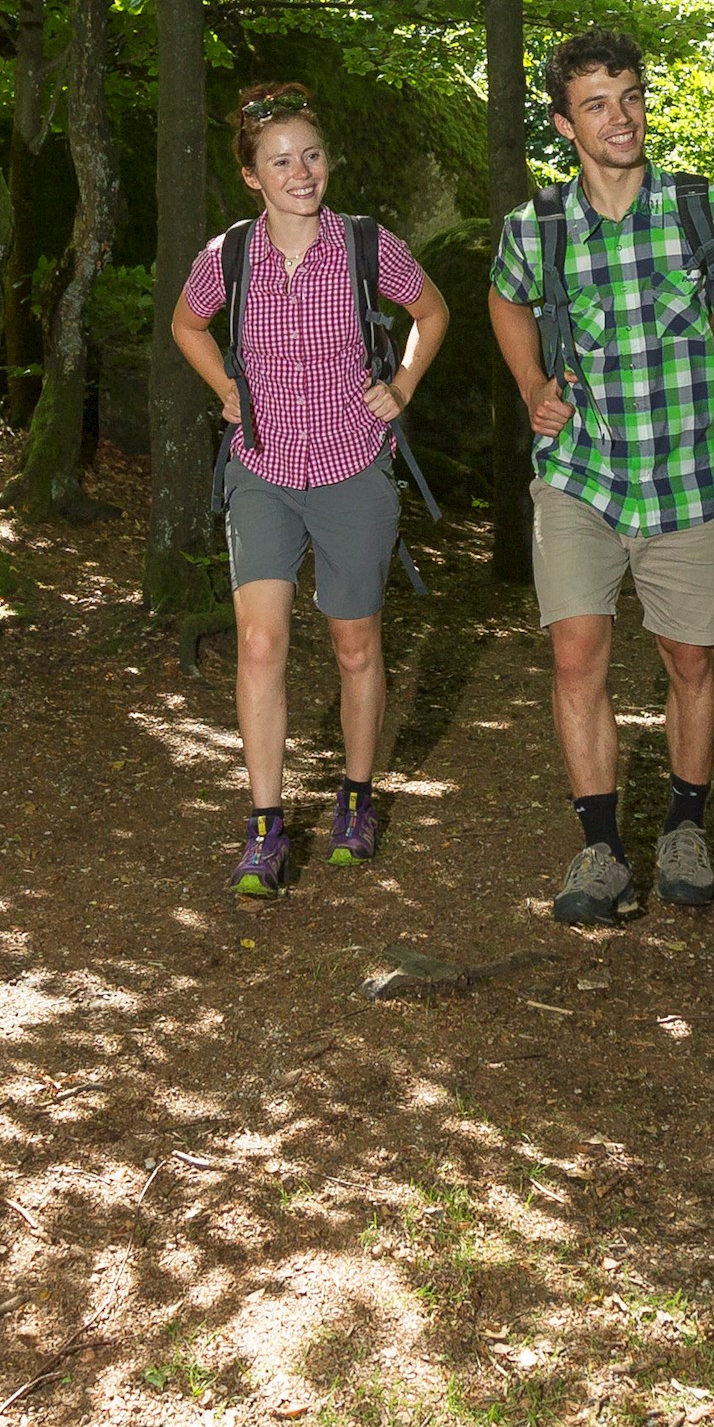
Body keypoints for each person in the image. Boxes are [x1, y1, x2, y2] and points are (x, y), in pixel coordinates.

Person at [486, 29, 714, 925]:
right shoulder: (536, 228)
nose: (619, 117)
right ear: (564, 123)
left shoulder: (706, 211)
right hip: (579, 476)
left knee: (690, 658)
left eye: (628, 95)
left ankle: (684, 825)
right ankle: (598, 847)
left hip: (685, 478)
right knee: (575, 653)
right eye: (596, 103)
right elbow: (504, 300)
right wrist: (531, 385)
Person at [171, 81, 450, 899]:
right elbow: (188, 324)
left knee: (354, 645)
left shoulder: (366, 246)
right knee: (258, 642)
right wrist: (225, 385)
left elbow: (431, 312)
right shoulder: (228, 256)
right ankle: (264, 827)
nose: (302, 172)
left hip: (352, 468)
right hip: (261, 467)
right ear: (253, 176)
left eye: (312, 155)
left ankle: (356, 799)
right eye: (281, 161)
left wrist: (401, 385)